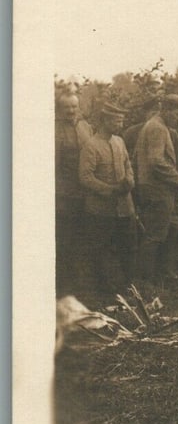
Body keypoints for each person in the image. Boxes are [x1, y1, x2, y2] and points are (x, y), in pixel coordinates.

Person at [78, 102, 136, 294]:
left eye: (121, 120)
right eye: (117, 121)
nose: (120, 124)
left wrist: (129, 179)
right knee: (100, 249)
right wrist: (109, 190)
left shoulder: (119, 141)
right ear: (104, 121)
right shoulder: (91, 146)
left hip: (124, 207)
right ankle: (104, 289)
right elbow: (85, 177)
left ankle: (128, 286)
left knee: (126, 246)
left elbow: (128, 164)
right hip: (100, 209)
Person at [134, 93, 178, 284]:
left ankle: (165, 273)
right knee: (155, 234)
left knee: (174, 228)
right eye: (177, 115)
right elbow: (156, 161)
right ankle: (146, 280)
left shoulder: (157, 125)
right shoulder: (157, 128)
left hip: (156, 187)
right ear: (165, 110)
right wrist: (177, 179)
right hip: (157, 188)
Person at [55, 90, 93, 295]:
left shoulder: (86, 127)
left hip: (86, 192)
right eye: (67, 107)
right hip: (66, 195)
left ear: (79, 108)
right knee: (66, 239)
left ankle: (81, 282)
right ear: (60, 109)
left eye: (74, 106)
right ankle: (66, 285)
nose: (71, 110)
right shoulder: (55, 130)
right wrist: (60, 195)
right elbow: (54, 166)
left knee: (83, 237)